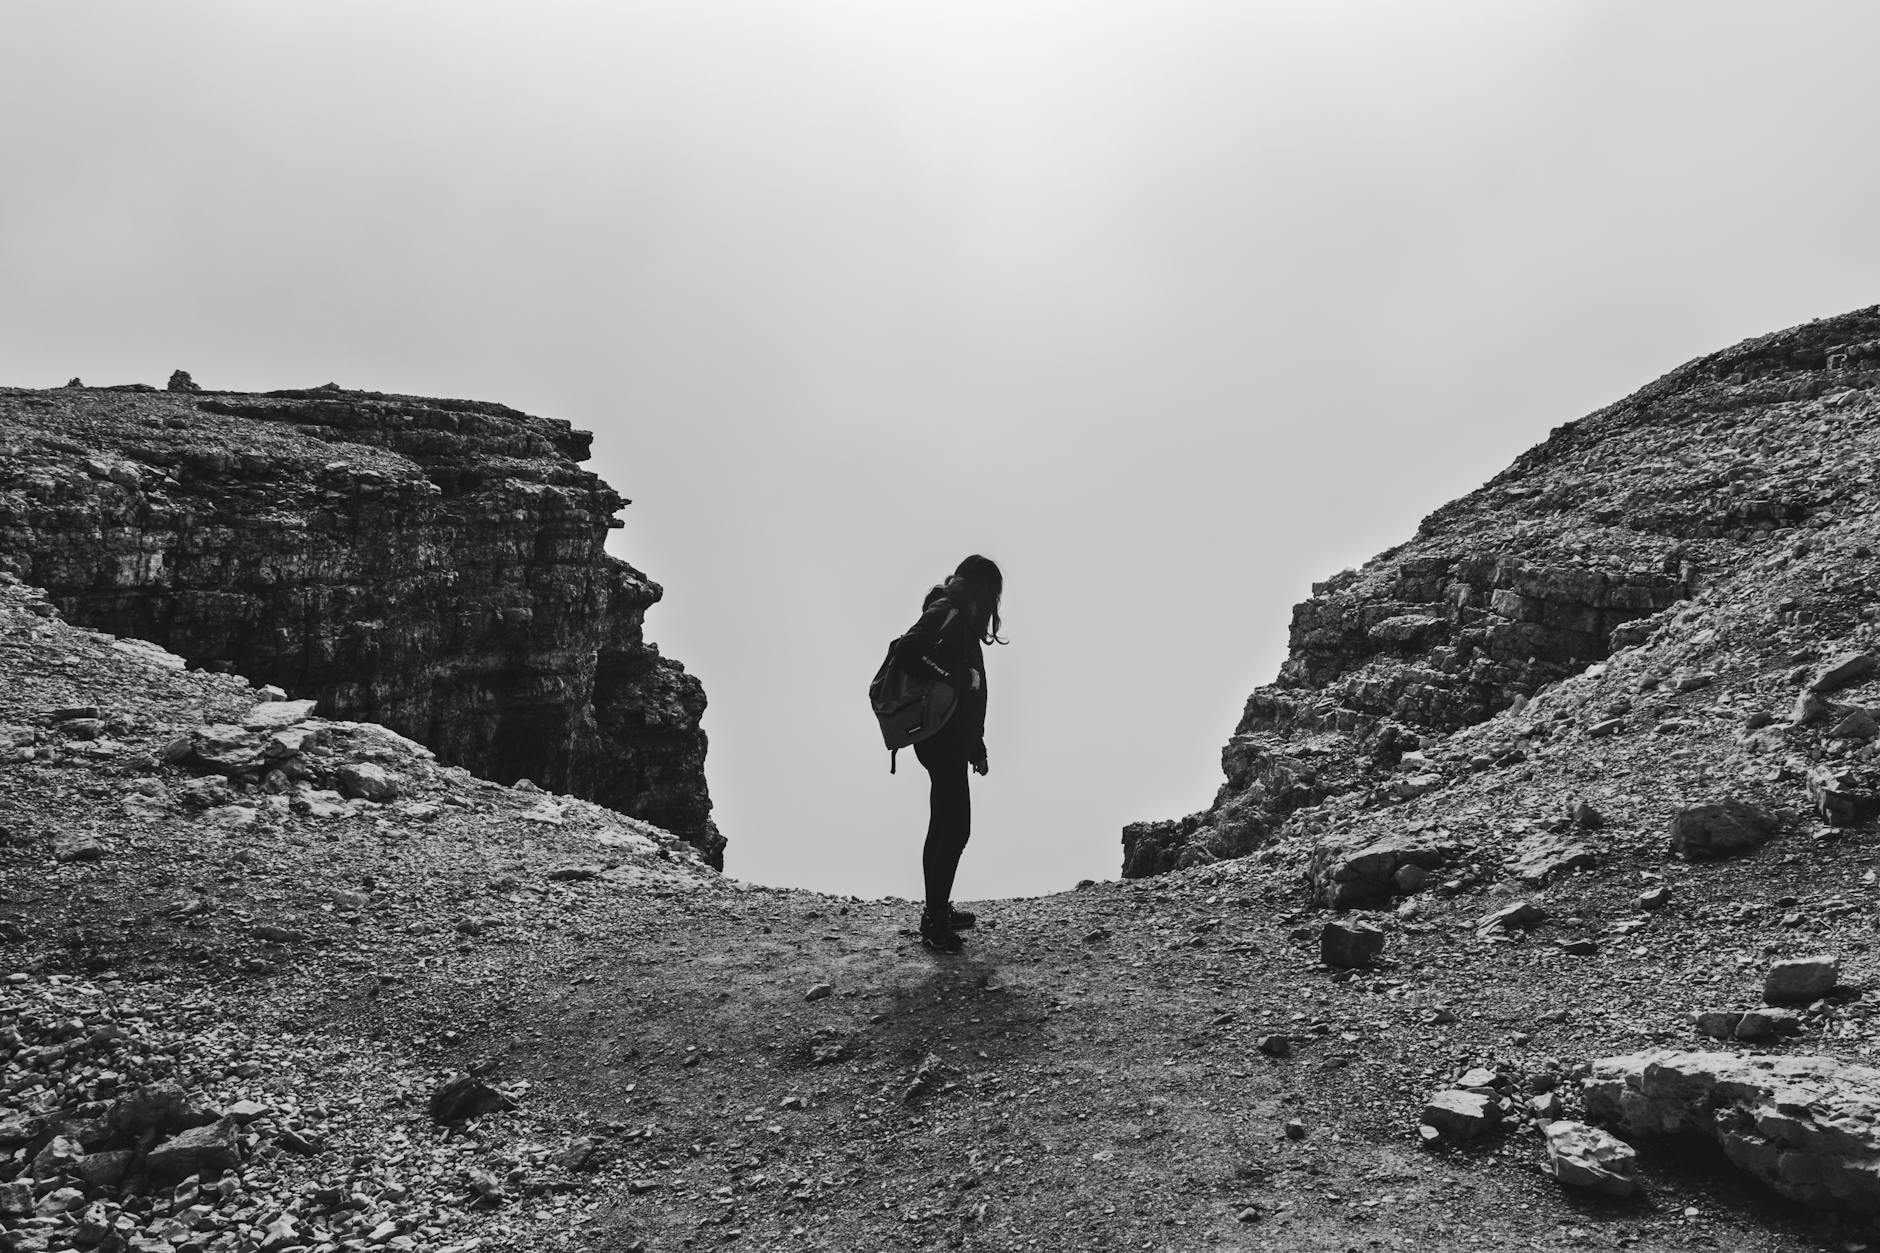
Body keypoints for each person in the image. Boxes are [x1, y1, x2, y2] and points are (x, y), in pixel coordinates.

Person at [894, 555, 1006, 953]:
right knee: (954, 827)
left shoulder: (961, 615)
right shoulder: (949, 610)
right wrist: (955, 676)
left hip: (951, 738)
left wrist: (976, 747)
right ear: (983, 588)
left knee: (946, 823)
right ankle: (934, 919)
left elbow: (972, 696)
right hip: (941, 738)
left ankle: (937, 909)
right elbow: (908, 650)